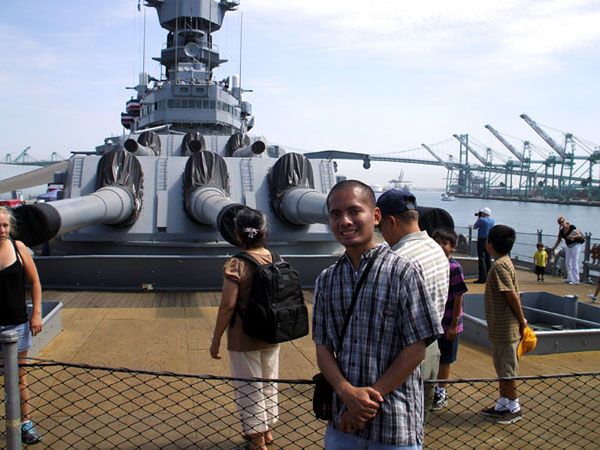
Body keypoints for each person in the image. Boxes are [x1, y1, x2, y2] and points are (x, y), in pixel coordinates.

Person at [313, 180, 442, 449]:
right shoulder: (327, 280)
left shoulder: (404, 271)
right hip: (342, 423)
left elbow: (416, 349)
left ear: (376, 217)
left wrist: (363, 403)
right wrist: (346, 392)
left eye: (354, 211)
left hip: (394, 423)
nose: (345, 221)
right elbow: (323, 348)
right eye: (336, 214)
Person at [209, 208, 278, 450]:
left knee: (249, 388)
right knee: (269, 382)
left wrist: (216, 338)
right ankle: (267, 431)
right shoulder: (274, 257)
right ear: (264, 232)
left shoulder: (236, 264)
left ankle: (258, 442)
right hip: (271, 334)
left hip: (243, 337)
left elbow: (227, 305)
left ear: (238, 235)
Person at [375, 189, 449, 415]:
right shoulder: (436, 250)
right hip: (432, 348)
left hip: (403, 357)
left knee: (397, 424)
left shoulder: (399, 259)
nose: (382, 233)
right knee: (419, 421)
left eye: (381, 227)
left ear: (391, 222)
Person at [0, 206, 43, 444]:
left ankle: (25, 424)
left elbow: (35, 282)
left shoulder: (19, 249)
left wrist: (36, 314)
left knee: (19, 378)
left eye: (5, 225)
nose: (2, 230)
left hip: (16, 326)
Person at [479, 225, 528, 425]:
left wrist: (522, 319)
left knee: (507, 368)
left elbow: (510, 293)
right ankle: (503, 403)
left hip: (506, 327)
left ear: (490, 244)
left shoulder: (499, 266)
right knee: (501, 366)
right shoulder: (505, 262)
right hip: (500, 327)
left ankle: (514, 407)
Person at [430, 228, 468, 411]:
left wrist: (454, 325)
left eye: (444, 243)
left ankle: (441, 392)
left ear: (452, 247)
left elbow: (459, 297)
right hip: (435, 323)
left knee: (445, 360)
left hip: (448, 324)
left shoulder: (454, 268)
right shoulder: (434, 265)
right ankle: (432, 390)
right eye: (437, 242)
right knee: (433, 358)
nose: (440, 246)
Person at [551, 216, 584, 285]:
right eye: (560, 223)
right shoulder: (561, 231)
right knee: (567, 262)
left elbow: (580, 235)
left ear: (565, 221)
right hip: (568, 246)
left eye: (562, 221)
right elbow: (558, 240)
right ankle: (570, 278)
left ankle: (576, 280)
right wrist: (554, 248)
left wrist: (572, 236)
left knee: (574, 262)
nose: (562, 223)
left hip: (576, 245)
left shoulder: (572, 227)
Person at [473, 207, 495, 283]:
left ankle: (481, 278)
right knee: (488, 259)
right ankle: (489, 278)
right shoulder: (492, 220)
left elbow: (475, 226)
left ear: (483, 213)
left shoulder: (481, 220)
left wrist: (479, 217)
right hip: (489, 240)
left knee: (481, 259)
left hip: (482, 240)